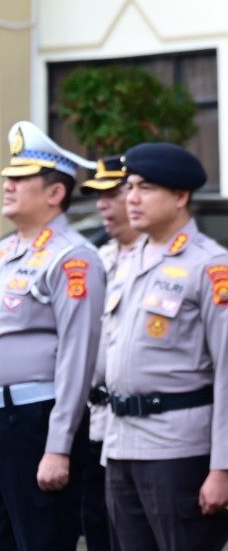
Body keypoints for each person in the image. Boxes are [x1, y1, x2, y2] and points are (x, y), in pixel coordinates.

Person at [101, 143, 228, 551]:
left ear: (181, 197)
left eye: (145, 188)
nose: (131, 198)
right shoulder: (128, 261)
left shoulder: (211, 265)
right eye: (129, 187)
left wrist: (224, 466)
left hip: (177, 449)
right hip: (121, 443)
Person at [0, 120, 102, 551]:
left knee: (40, 539)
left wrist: (58, 446)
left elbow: (78, 359)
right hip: (5, 419)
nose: (7, 185)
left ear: (55, 193)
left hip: (38, 420)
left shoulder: (73, 258)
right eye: (8, 176)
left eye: (21, 178)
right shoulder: (8, 251)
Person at [82, 155, 135, 551]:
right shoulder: (99, 260)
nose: (103, 204)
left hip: (148, 426)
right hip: (97, 423)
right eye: (99, 195)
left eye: (112, 193)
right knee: (99, 530)